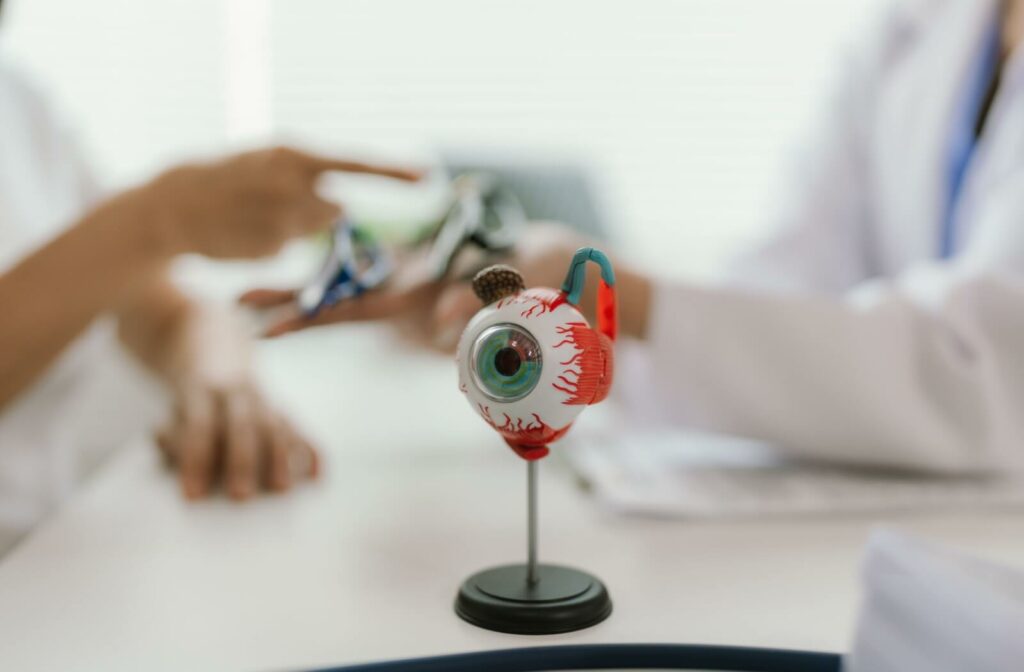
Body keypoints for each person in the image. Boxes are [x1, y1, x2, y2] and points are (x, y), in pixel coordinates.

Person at [245, 0, 1024, 474]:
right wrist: (533, 318)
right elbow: (780, 300)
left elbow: (985, 372)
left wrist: (620, 295)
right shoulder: (910, 29)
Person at [0, 14, 419, 552]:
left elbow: (164, 311)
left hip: (48, 561)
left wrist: (218, 375)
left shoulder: (21, 101)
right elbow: (129, 242)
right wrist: (161, 217)